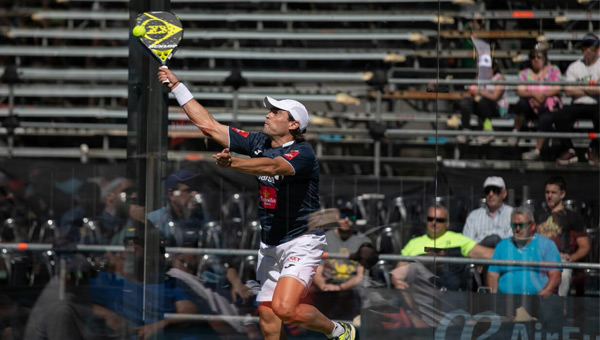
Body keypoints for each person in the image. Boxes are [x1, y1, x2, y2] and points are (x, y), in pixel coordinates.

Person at [157, 67, 356, 340]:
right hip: (270, 243)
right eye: (270, 111)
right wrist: (177, 87)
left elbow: (274, 167)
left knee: (285, 309)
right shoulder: (260, 141)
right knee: (268, 319)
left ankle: (339, 331)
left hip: (301, 241)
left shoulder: (303, 153)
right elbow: (210, 127)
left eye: (276, 113)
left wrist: (233, 163)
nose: (268, 115)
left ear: (293, 125)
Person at [391, 204, 494, 291]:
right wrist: (398, 283)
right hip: (419, 292)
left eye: (439, 220)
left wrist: (508, 252)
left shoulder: (458, 239)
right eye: (430, 219)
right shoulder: (413, 243)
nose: (434, 223)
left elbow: (486, 253)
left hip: (448, 292)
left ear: (447, 223)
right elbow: (399, 271)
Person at [312, 202, 372, 320]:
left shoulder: (364, 241)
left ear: (355, 220)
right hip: (327, 287)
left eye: (351, 217)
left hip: (352, 290)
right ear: (337, 217)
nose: (346, 220)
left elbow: (361, 276)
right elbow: (317, 271)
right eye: (343, 215)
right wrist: (323, 286)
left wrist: (340, 288)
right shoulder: (324, 238)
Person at [487, 206, 562, 296]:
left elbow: (556, 276)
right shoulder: (502, 246)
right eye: (514, 225)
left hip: (538, 302)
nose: (518, 229)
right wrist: (494, 300)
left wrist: (541, 296)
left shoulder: (547, 245)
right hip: (506, 303)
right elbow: (492, 274)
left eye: (522, 225)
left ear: (533, 226)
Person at [535, 176, 590, 296]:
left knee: (563, 273)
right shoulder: (539, 215)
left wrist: (571, 258)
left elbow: (584, 246)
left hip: (561, 260)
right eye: (547, 192)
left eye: (553, 193)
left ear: (562, 194)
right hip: (539, 259)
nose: (549, 196)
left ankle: (559, 306)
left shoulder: (573, 217)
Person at [553, 33, 600, 165]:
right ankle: (569, 150)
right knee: (559, 116)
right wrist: (592, 88)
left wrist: (579, 87)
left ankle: (594, 148)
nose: (588, 51)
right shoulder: (574, 67)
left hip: (596, 104)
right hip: (577, 104)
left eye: (592, 47)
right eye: (585, 47)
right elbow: (568, 91)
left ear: (598, 49)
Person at [511, 43, 563, 160]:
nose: (536, 60)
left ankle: (537, 150)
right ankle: (515, 132)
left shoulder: (553, 70)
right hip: (531, 104)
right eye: (533, 57)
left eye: (539, 57)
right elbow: (521, 91)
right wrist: (534, 95)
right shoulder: (524, 73)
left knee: (546, 118)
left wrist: (543, 95)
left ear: (544, 58)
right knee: (521, 103)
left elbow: (557, 88)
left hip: (547, 105)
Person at [457, 62, 509, 144]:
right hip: (481, 107)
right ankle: (466, 130)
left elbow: (495, 97)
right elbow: (471, 90)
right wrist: (472, 91)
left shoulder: (499, 79)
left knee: (483, 102)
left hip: (496, 108)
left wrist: (480, 92)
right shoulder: (480, 78)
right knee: (465, 102)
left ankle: (488, 130)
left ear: (494, 68)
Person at [462, 176, 513, 243]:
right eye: (487, 191)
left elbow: (512, 243)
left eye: (495, 190)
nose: (491, 194)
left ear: (504, 194)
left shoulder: (513, 214)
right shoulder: (473, 216)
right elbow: (467, 244)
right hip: (479, 253)